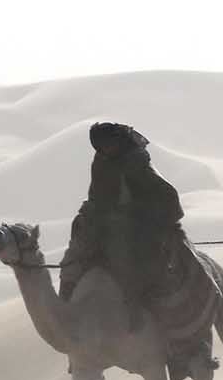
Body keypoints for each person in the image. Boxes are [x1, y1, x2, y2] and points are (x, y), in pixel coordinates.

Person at [60, 122, 186, 317]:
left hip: (137, 221)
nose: (105, 148)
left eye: (107, 143)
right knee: (78, 240)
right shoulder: (101, 160)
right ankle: (66, 296)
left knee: (124, 250)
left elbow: (164, 196)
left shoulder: (136, 160)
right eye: (101, 145)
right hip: (104, 216)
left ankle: (134, 304)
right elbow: (98, 195)